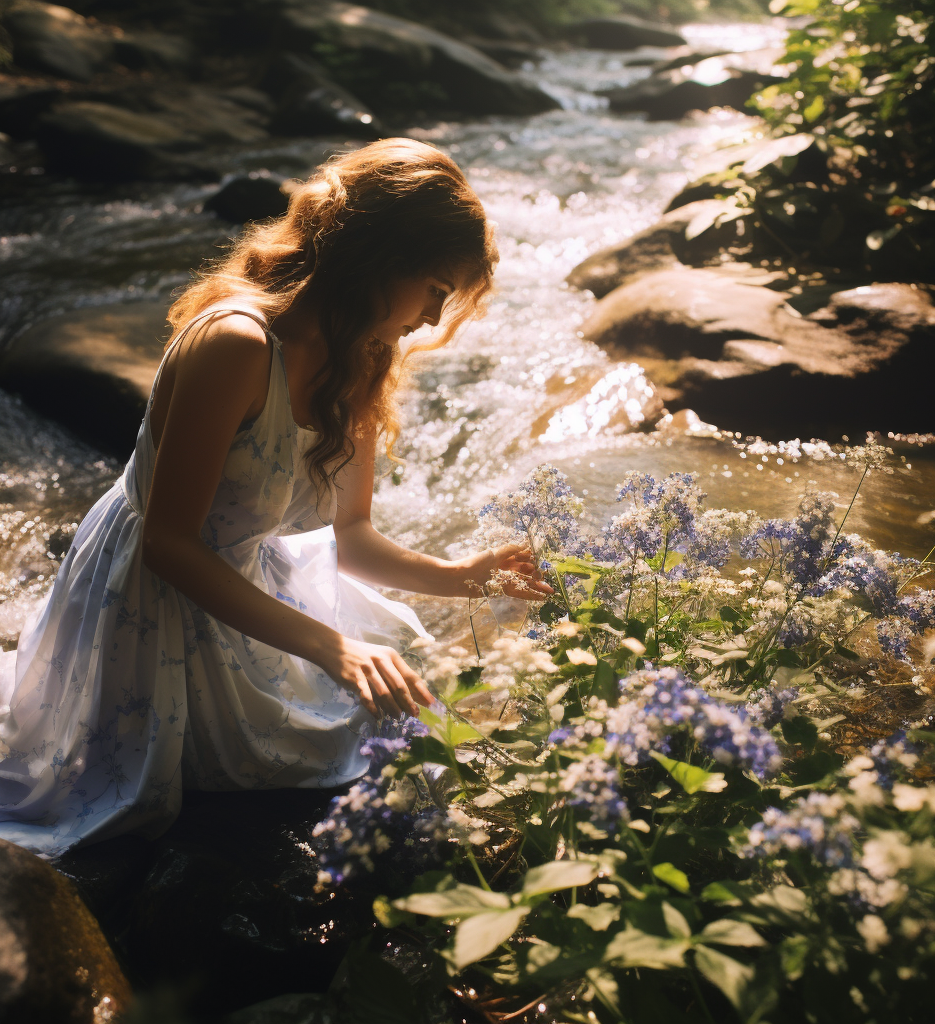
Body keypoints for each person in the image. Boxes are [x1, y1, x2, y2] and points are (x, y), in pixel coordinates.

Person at [0, 138, 551, 859]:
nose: (433, 318)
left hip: (250, 578)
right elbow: (169, 544)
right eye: (436, 290)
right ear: (381, 259)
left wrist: (460, 578)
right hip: (159, 591)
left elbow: (350, 536)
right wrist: (332, 647)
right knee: (284, 759)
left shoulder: (364, 354)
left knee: (413, 698)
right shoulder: (237, 343)